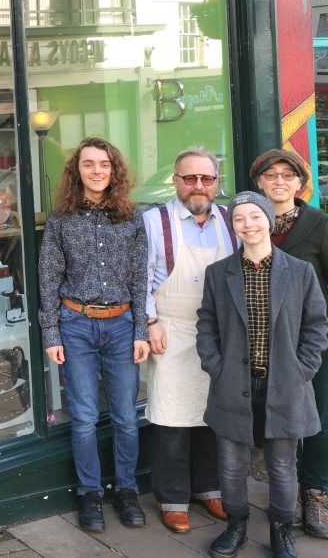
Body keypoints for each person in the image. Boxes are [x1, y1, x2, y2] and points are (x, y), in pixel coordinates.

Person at [196, 191, 328, 558]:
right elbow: (206, 324)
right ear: (233, 226)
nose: (248, 225)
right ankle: (236, 525)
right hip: (233, 383)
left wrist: (302, 369)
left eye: (255, 216)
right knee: (232, 463)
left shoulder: (300, 272)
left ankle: (281, 530)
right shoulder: (218, 274)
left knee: (283, 465)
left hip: (285, 382)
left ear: (268, 220)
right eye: (240, 219)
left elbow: (316, 325)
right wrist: (215, 366)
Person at [38, 137, 150, 533]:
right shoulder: (60, 220)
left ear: (114, 170)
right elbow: (49, 278)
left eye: (104, 164)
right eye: (89, 164)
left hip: (122, 326)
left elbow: (140, 278)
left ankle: (126, 489)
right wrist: (51, 333)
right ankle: (89, 494)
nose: (97, 170)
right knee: (83, 418)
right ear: (77, 171)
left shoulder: (132, 218)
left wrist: (140, 330)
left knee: (125, 417)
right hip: (76, 324)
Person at [143, 148, 235, 533]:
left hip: (219, 331)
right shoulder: (154, 221)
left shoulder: (231, 220)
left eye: (207, 178)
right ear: (176, 181)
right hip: (172, 328)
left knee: (213, 413)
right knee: (171, 418)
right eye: (189, 178)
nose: (199, 186)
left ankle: (209, 489)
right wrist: (149, 321)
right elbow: (140, 278)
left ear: (216, 182)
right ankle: (173, 498)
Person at [251, 148, 328, 539]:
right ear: (259, 182)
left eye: (287, 175)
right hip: (263, 342)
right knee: (278, 420)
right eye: (270, 175)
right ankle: (287, 493)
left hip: (311, 343)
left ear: (300, 183)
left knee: (317, 420)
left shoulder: (318, 224)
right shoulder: (249, 223)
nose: (279, 181)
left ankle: (316, 493)